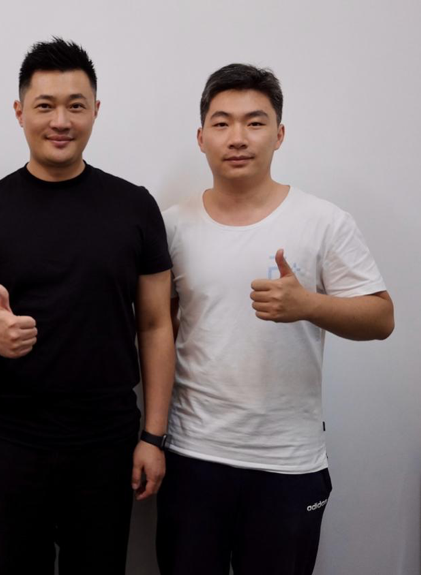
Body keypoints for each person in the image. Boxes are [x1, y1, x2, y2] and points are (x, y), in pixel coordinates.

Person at [0, 38, 175, 575]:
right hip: (10, 436)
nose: (60, 121)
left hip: (107, 435)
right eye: (45, 106)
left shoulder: (135, 206)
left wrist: (153, 436)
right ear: (20, 111)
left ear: (96, 110)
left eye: (75, 105)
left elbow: (156, 324)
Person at [157, 63, 395, 575]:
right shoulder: (172, 226)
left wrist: (309, 305)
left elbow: (381, 317)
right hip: (193, 454)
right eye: (222, 122)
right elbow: (159, 329)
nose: (238, 137)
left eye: (255, 122)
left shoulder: (323, 221)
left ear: (279, 134)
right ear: (201, 137)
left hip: (288, 462)